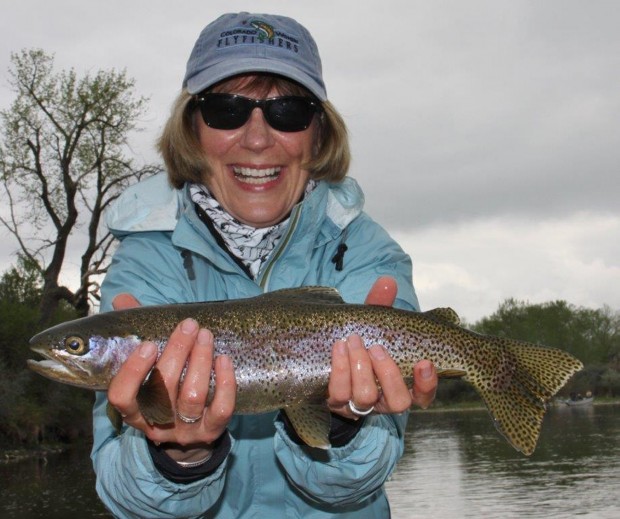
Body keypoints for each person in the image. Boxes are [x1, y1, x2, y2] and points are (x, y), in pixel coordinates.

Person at [91, 11, 438, 518]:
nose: (257, 138)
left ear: (318, 132)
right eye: (226, 110)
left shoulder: (370, 254)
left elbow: (351, 492)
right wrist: (178, 455)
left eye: (289, 111)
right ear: (193, 130)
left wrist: (345, 427)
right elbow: (130, 499)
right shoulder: (143, 264)